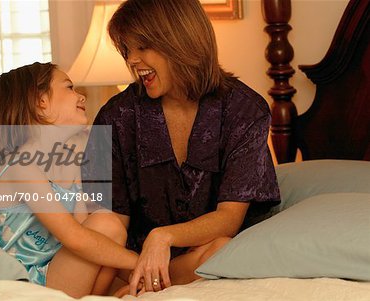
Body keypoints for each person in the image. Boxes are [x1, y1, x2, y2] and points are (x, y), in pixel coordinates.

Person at [82, 0, 281, 296]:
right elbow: (110, 225)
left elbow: (229, 218)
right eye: (127, 50)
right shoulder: (116, 117)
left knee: (222, 249)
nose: (133, 60)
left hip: (206, 257)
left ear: (178, 39)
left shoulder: (245, 110)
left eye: (142, 47)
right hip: (130, 265)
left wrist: (163, 237)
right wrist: (141, 266)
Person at [0, 62, 138, 297]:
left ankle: (98, 296)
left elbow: (86, 231)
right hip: (24, 283)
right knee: (106, 224)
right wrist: (139, 262)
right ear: (41, 102)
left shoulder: (70, 160)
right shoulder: (21, 166)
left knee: (107, 224)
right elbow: (75, 238)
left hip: (53, 270)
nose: (81, 96)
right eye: (70, 88)